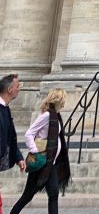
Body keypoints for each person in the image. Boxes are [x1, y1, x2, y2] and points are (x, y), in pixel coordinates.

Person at [10, 88, 71, 214]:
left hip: (50, 163)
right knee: (27, 196)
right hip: (42, 162)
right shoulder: (47, 115)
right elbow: (29, 134)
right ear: (59, 100)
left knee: (54, 194)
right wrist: (35, 152)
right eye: (64, 99)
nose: (65, 102)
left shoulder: (56, 116)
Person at [0, 75, 25, 214]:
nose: (19, 89)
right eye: (17, 86)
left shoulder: (5, 108)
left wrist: (18, 157)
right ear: (10, 89)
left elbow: (11, 137)